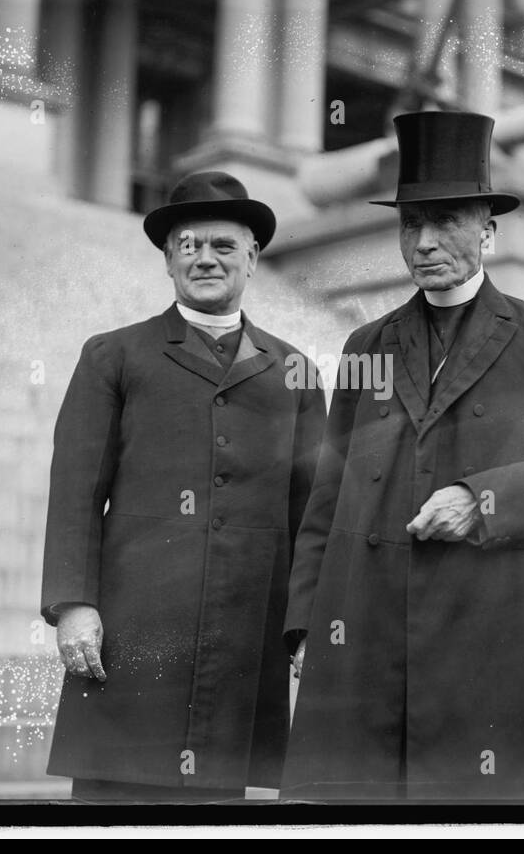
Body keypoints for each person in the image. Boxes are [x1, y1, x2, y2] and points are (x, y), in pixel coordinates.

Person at [281, 111, 524, 800]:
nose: (424, 243)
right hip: (365, 626)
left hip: (491, 621)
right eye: (410, 224)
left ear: (488, 228)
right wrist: (306, 624)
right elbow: (328, 492)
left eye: (447, 221)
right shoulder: (367, 346)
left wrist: (480, 500)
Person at [41, 171, 325, 802]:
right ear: (169, 260)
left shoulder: (296, 373)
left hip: (243, 636)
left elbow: (313, 513)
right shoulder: (113, 356)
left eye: (223, 246)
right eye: (188, 245)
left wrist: (305, 625)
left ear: (252, 258)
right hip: (134, 630)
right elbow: (75, 492)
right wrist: (73, 605)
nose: (204, 258)